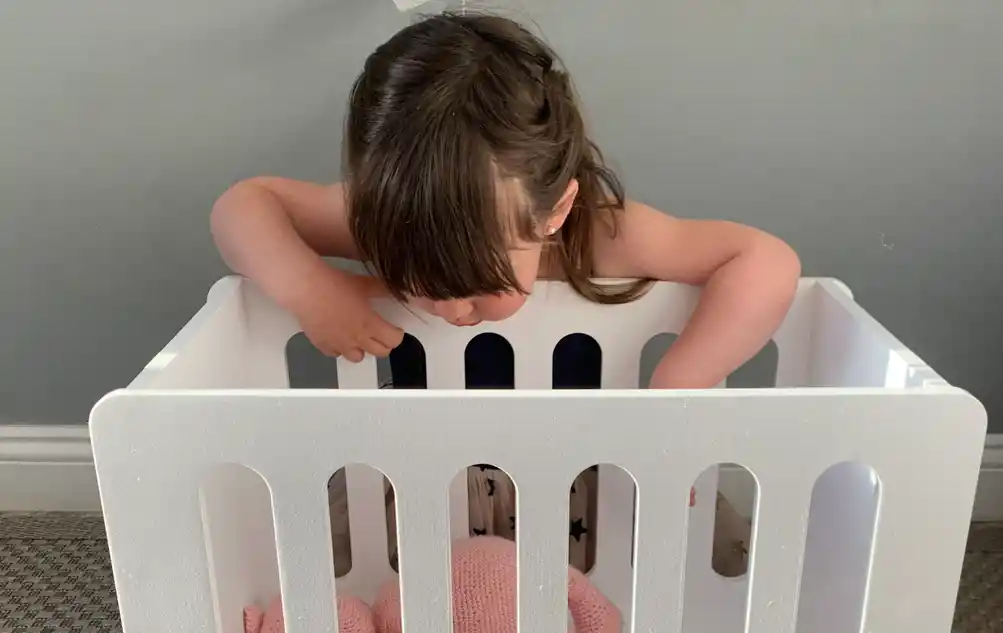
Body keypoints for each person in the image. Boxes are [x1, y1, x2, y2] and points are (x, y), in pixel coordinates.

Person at [210, 10, 799, 570]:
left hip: (584, 484)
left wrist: (675, 393)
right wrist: (312, 289)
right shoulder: (388, 218)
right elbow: (244, 205)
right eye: (417, 281)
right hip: (421, 478)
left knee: (701, 561)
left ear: (554, 211)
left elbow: (765, 260)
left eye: (477, 282)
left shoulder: (597, 234)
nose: (450, 309)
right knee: (325, 570)